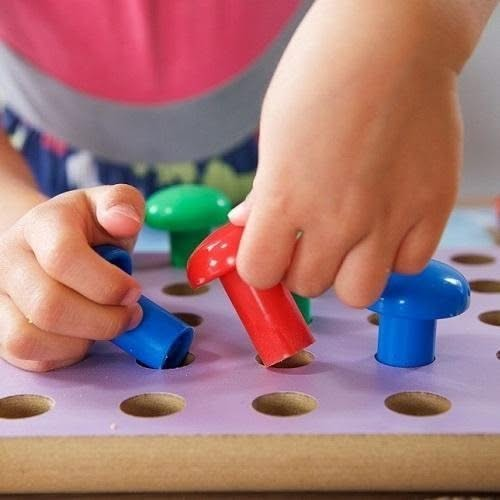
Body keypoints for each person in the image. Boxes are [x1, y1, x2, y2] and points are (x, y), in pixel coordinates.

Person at [0, 0, 497, 371]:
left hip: (330, 158)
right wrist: (15, 222)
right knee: (72, 264)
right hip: (45, 181)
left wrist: (408, 30)